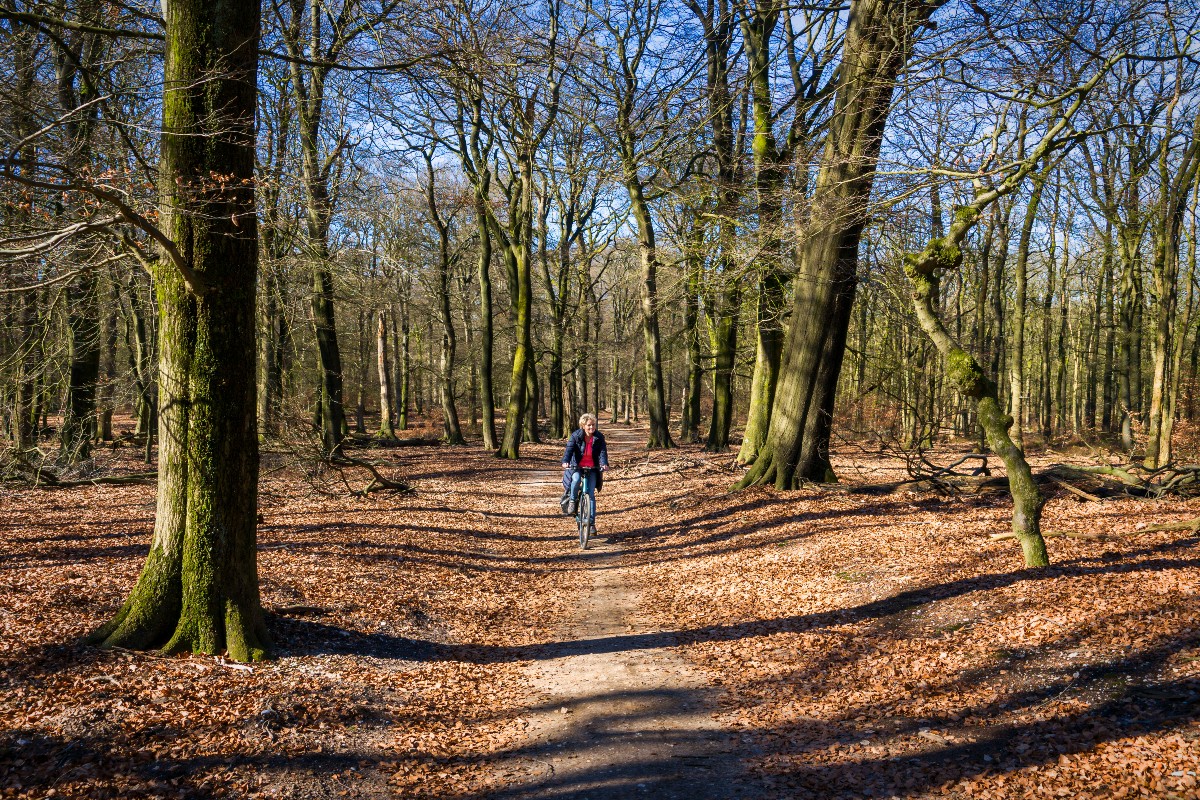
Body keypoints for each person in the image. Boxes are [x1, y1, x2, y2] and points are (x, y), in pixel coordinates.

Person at [560, 413, 608, 534]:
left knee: (590, 494)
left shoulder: (599, 437)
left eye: (593, 425)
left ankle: (591, 524)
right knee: (575, 479)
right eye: (589, 425)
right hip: (577, 466)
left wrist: (604, 463)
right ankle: (572, 501)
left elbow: (602, 452)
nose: (591, 428)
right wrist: (565, 461)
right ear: (583, 425)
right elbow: (569, 449)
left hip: (592, 467)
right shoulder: (576, 436)